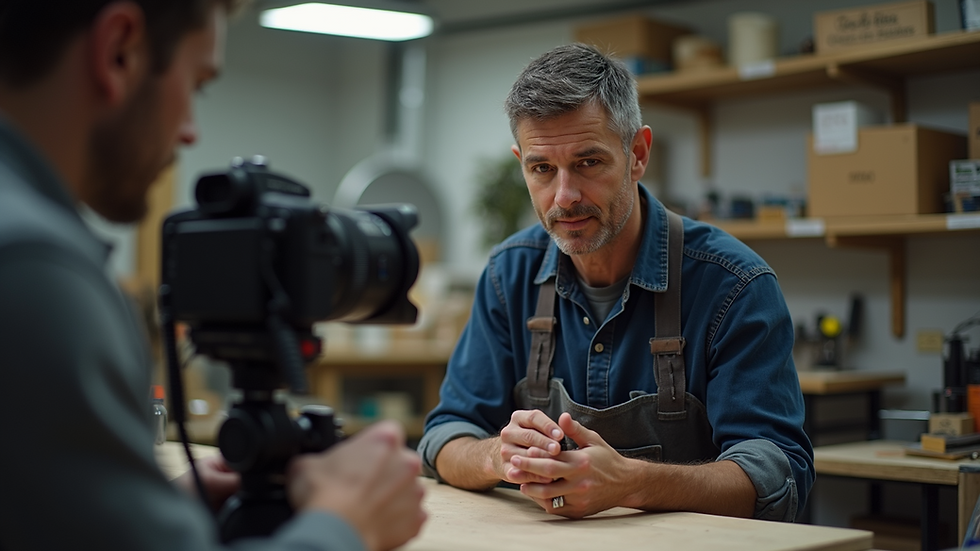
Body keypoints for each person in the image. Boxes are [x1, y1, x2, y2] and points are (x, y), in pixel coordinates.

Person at [0, 2, 426, 550]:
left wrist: (151, 515)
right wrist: (344, 524)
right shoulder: (35, 273)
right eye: (197, 85)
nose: (190, 134)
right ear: (119, 51)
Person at [418, 43, 813, 522]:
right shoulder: (509, 275)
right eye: (542, 168)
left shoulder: (733, 285)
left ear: (638, 154)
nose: (565, 197)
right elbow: (444, 436)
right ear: (521, 162)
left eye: (589, 163)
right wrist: (497, 456)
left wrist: (634, 482)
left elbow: (778, 478)